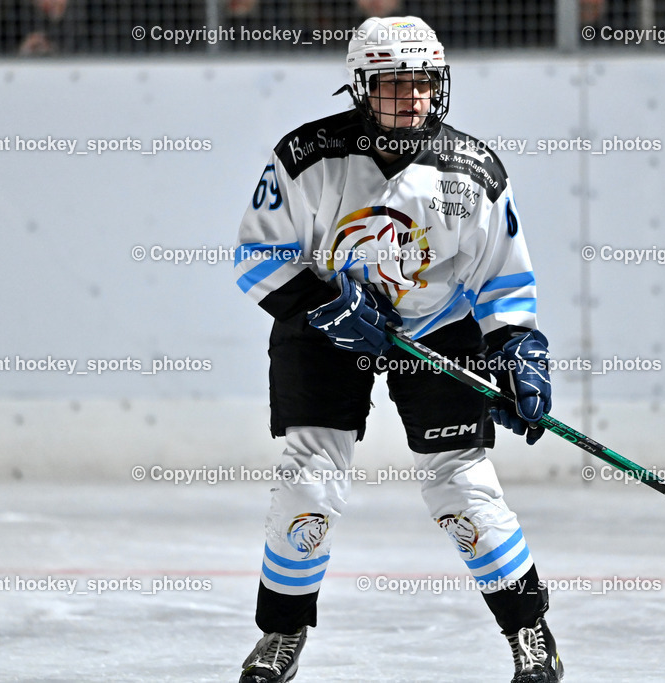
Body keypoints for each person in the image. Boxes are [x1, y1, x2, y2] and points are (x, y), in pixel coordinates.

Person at [233, 15, 562, 683]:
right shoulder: (306, 155)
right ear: (361, 87)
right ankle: (282, 629)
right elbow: (256, 255)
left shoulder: (472, 171)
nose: (413, 97)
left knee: (461, 482)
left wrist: (517, 350)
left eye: (424, 83)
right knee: (309, 475)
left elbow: (504, 278)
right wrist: (324, 305)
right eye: (394, 83)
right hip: (323, 324)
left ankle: (530, 629)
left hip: (438, 326)